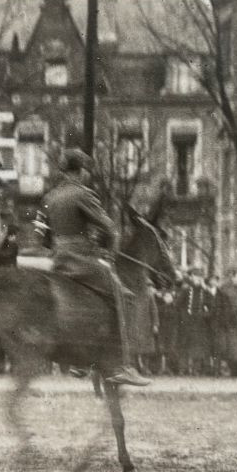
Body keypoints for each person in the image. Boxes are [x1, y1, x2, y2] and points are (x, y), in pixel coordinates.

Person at [43, 149, 151, 388]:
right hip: (81, 260)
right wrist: (108, 256)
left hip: (58, 262)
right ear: (80, 171)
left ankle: (77, 362)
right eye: (85, 172)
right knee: (125, 297)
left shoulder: (50, 197)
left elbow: (43, 238)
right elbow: (111, 229)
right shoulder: (83, 194)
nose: (86, 176)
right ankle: (123, 365)